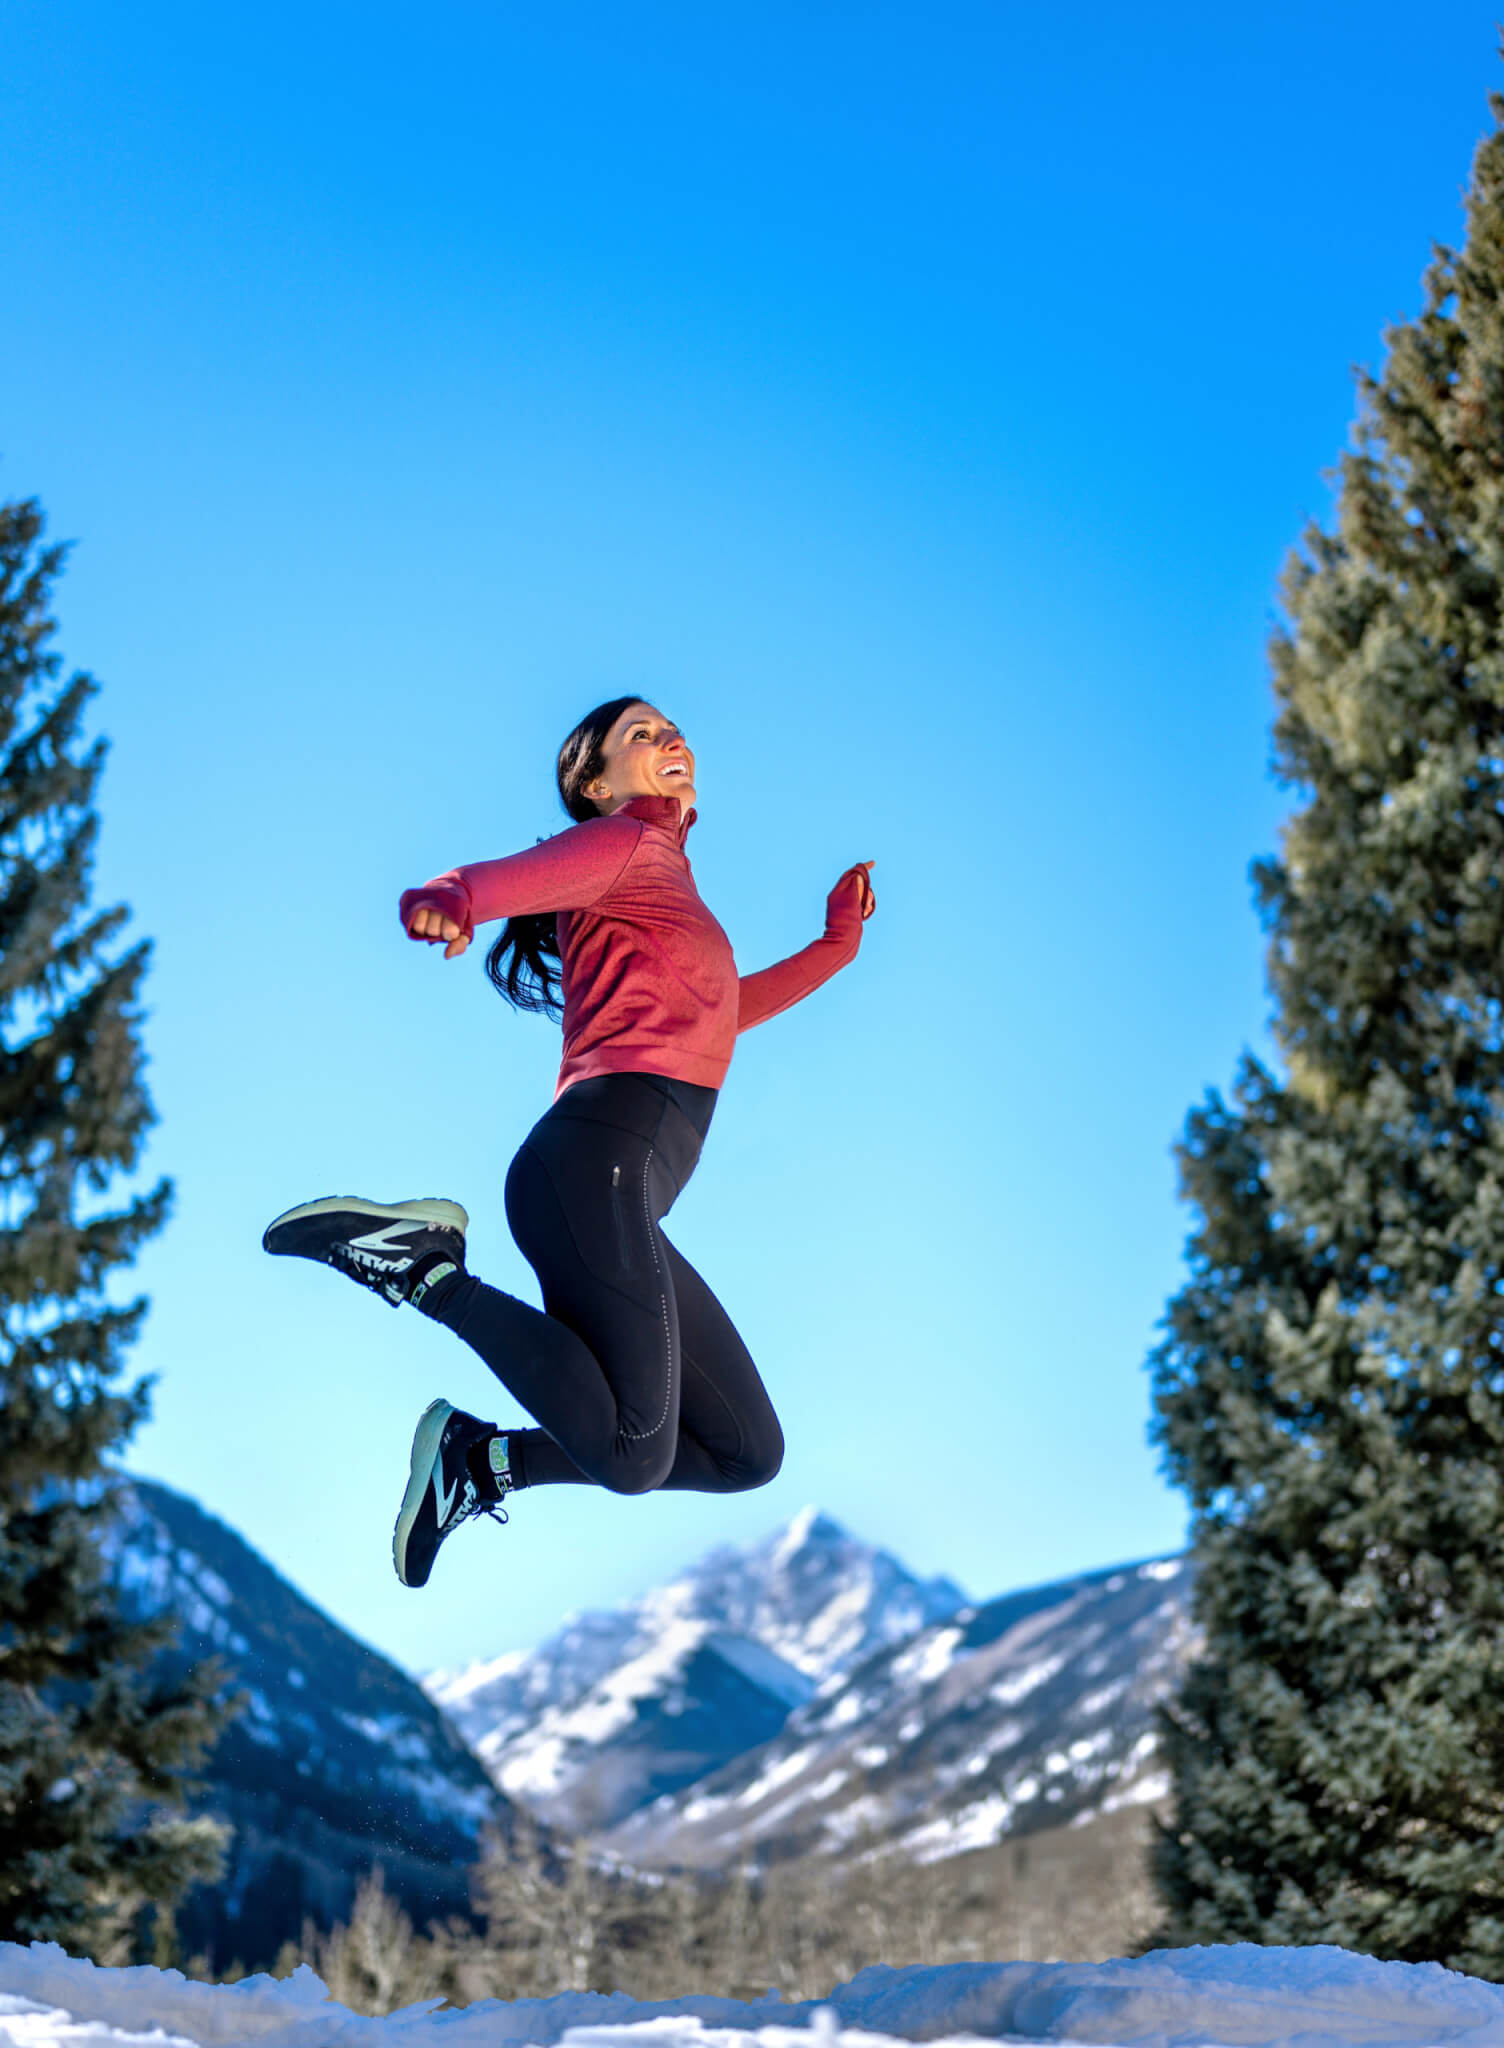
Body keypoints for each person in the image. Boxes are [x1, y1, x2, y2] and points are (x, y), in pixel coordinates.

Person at [263, 697, 875, 1589]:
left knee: (746, 1452)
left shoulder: (664, 883)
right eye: (640, 734)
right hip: (594, 1166)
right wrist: (451, 899)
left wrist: (839, 943)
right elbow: (503, 877)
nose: (669, 738)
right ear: (595, 784)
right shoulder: (622, 845)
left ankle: (479, 1464)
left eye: (672, 727)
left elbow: (726, 1013)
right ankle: (425, 1274)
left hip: (615, 1191)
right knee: (633, 1455)